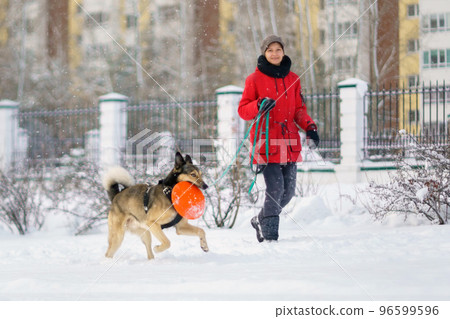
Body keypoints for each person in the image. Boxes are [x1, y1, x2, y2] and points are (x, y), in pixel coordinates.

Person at [238, 35, 320, 242]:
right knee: (275, 189)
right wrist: (258, 104)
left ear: (283, 52)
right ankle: (270, 237)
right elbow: (243, 110)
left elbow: (299, 110)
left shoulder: (293, 79)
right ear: (264, 53)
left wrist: (310, 127)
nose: (274, 54)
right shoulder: (253, 80)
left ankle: (260, 219)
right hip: (265, 141)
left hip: (289, 141)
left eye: (278, 50)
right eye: (270, 50)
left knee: (289, 192)